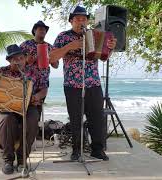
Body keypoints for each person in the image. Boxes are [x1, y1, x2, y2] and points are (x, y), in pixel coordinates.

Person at [49, 6, 117, 161]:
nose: (81, 21)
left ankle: (97, 150)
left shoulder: (93, 35)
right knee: (76, 119)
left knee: (97, 118)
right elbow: (52, 58)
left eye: (84, 19)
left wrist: (110, 49)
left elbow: (103, 57)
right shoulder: (63, 36)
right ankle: (76, 150)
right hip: (72, 85)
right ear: (71, 21)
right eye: (78, 19)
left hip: (93, 83)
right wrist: (70, 46)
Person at [0, 44, 45, 175]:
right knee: (7, 120)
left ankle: (22, 159)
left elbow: (44, 88)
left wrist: (37, 96)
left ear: (25, 58)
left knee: (32, 121)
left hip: (29, 107)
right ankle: (8, 160)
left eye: (21, 58)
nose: (18, 61)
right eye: (14, 59)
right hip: (7, 108)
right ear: (9, 61)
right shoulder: (2, 71)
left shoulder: (33, 71)